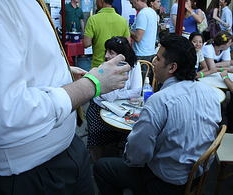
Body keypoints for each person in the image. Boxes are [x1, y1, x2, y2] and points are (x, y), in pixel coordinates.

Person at [0, 1, 131, 194]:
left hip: (66, 151)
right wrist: (91, 84)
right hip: (34, 171)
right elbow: (5, 114)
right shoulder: (2, 6)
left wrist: (64, 73)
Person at [93, 34, 221, 195]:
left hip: (166, 184)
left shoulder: (160, 101)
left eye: (158, 59)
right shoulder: (210, 92)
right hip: (197, 175)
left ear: (172, 67)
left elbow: (136, 156)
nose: (153, 62)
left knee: (102, 167)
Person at [86, 36, 142, 163]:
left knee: (133, 129)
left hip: (124, 106)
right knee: (96, 132)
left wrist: (118, 94)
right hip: (99, 106)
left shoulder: (134, 64)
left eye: (111, 52)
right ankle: (97, 163)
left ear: (122, 55)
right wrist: (124, 93)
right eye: (106, 51)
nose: (106, 56)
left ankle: (121, 161)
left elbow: (137, 90)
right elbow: (110, 98)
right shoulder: (103, 68)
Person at [83, 0, 130, 68]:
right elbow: (128, 42)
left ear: (101, 1)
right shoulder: (123, 20)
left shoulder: (93, 19)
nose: (96, 3)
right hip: (117, 66)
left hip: (98, 67)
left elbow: (86, 44)